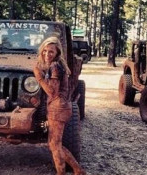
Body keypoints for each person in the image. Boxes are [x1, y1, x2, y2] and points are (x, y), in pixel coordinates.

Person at [33, 37, 86, 175]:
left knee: (55, 145)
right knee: (54, 144)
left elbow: (52, 91)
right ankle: (78, 170)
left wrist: (39, 77)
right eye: (44, 51)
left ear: (57, 53)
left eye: (51, 51)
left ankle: (65, 172)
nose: (47, 54)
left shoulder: (55, 67)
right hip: (60, 108)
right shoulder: (57, 65)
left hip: (58, 109)